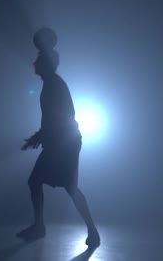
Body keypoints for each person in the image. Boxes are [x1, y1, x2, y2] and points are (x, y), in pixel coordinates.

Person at [17, 27, 100, 247]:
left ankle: (40, 227)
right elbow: (55, 119)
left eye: (37, 61)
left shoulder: (54, 85)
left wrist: (39, 137)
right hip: (64, 142)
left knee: (44, 182)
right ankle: (90, 232)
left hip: (65, 144)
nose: (33, 64)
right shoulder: (51, 84)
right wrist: (40, 136)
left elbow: (60, 118)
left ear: (45, 64)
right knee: (69, 187)